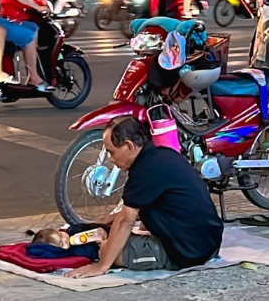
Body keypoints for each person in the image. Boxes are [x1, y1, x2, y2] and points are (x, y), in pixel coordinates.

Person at [66, 116, 224, 278]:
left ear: (129, 146)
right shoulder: (162, 155)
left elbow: (126, 221)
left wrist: (101, 266)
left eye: (111, 152)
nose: (110, 159)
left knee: (106, 249)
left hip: (186, 253)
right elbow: (139, 208)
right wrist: (107, 220)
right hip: (208, 242)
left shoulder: (144, 170)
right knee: (107, 234)